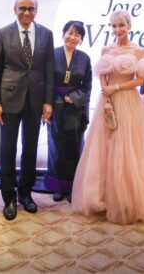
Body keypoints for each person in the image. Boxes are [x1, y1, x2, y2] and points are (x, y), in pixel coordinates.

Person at [71, 10, 144, 225]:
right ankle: (101, 198)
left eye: (121, 26)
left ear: (128, 26)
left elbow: (140, 81)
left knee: (127, 148)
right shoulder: (107, 49)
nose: (117, 30)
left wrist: (115, 87)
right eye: (113, 26)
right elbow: (102, 76)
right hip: (108, 101)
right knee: (103, 147)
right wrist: (106, 97)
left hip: (128, 102)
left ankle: (127, 201)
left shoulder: (138, 51)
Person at [0, 0, 54, 220]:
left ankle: (26, 194)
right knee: (7, 151)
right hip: (8, 101)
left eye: (31, 9)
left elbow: (48, 70)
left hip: (35, 101)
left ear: (37, 10)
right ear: (14, 9)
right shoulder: (3, 33)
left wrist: (48, 102)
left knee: (31, 149)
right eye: (22, 9)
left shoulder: (46, 33)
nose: (26, 13)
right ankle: (9, 198)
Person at [44, 21, 92, 203]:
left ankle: (73, 187)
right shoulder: (51, 55)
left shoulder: (85, 58)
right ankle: (58, 187)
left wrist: (75, 97)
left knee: (74, 146)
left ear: (81, 39)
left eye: (77, 35)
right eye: (70, 33)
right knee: (56, 147)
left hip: (75, 108)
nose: (72, 37)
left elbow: (87, 86)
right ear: (63, 33)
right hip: (54, 106)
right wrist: (46, 104)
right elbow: (45, 81)